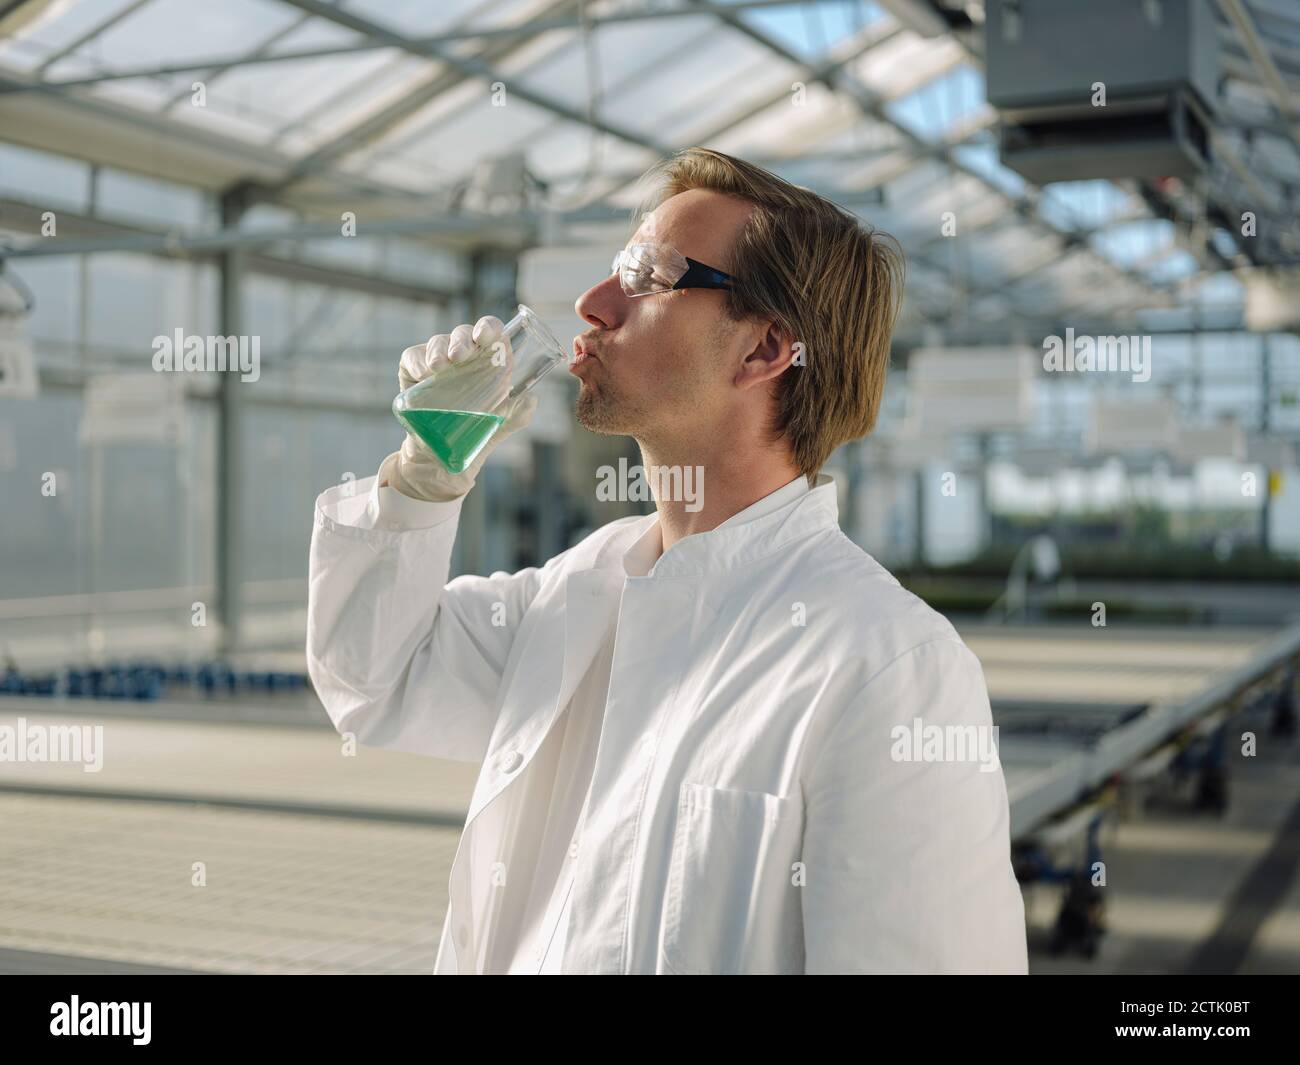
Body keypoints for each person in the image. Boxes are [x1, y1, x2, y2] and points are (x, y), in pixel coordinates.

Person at [307, 147, 1028, 974]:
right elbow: (371, 680)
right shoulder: (578, 592)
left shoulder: (887, 666)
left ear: (762, 350)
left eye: (647, 275)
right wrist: (421, 479)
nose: (591, 302)